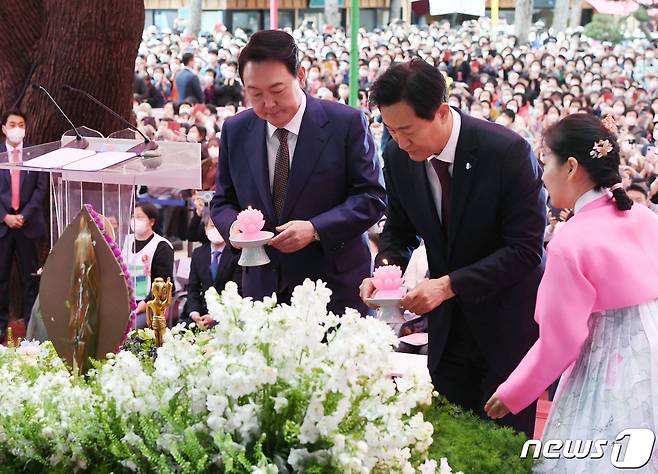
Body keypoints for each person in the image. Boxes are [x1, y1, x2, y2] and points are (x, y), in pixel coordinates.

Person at [361, 59, 546, 437]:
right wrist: (385, 272)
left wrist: (448, 284)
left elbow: (526, 251)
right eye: (391, 130)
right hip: (446, 334)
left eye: (408, 130)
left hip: (505, 325)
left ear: (442, 112)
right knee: (452, 442)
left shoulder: (505, 152)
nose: (400, 141)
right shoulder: (398, 157)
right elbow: (399, 228)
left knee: (503, 447)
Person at [486, 114, 658, 472]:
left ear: (572, 166)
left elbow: (560, 341)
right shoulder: (644, 218)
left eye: (546, 159)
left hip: (606, 368)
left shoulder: (571, 239)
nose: (542, 172)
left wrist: (514, 391)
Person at [211, 30, 386, 315]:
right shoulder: (236, 130)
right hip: (261, 288)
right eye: (255, 94)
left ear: (301, 76)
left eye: (278, 91)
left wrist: (316, 229)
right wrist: (235, 228)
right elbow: (222, 201)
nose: (268, 104)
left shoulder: (345, 123)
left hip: (333, 288)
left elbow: (372, 197)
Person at [0, 110, 47, 343]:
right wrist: (5, 217)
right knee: (2, 277)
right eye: (12, 124)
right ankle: (1, 327)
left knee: (31, 279)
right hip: (3, 225)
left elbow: (41, 187)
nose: (17, 128)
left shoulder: (33, 154)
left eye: (21, 124)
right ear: (4, 128)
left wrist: (24, 215)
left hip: (27, 225)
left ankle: (31, 328)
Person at [180, 217, 241, 329]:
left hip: (228, 314)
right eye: (212, 226)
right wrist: (194, 312)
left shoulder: (236, 254)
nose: (216, 229)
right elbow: (193, 287)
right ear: (205, 229)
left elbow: (239, 289)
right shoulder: (198, 253)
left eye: (219, 226)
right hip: (201, 312)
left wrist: (217, 315)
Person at [121, 202, 174, 329]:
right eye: (133, 216)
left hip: (149, 304)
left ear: (151, 222)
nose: (135, 220)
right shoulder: (125, 240)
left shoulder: (162, 246)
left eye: (139, 217)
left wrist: (145, 303)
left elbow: (164, 284)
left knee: (130, 328)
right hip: (124, 302)